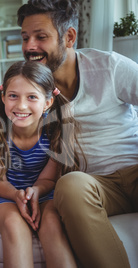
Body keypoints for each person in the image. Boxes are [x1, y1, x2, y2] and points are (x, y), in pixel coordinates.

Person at [17, 0, 138, 267]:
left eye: (41, 37)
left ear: (69, 37)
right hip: (94, 187)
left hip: (134, 169)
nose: (29, 47)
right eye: (25, 38)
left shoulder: (110, 67)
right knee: (70, 184)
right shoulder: (31, 89)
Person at [0, 60, 85, 267]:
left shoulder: (58, 130)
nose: (21, 105)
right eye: (13, 96)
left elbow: (48, 178)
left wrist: (34, 191)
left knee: (52, 224)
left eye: (32, 97)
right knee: (13, 224)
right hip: (5, 194)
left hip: (44, 193)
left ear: (47, 102)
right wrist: (17, 195)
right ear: (3, 97)